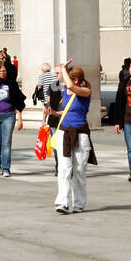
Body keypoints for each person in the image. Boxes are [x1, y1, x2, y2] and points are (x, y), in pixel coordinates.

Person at [52, 63, 94, 214]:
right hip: (64, 133)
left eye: (68, 78)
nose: (64, 81)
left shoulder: (85, 91)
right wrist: (55, 113)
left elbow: (71, 87)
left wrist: (63, 68)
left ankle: (79, 203)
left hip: (80, 134)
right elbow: (68, 110)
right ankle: (62, 203)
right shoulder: (65, 91)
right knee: (64, 169)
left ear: (75, 80)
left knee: (79, 170)